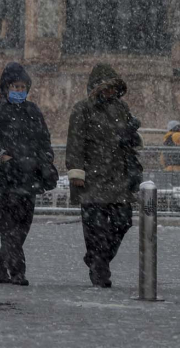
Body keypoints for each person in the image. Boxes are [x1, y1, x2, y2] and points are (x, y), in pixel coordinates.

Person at [0, 62, 54, 286]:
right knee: (8, 228)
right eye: (15, 86)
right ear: (5, 87)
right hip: (3, 179)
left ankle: (0, 263)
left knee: (22, 227)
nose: (19, 91)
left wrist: (46, 160)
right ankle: (17, 271)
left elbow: (44, 140)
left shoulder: (32, 111)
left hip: (28, 178)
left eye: (22, 87)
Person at [66, 63, 143, 288]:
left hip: (119, 177)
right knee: (95, 229)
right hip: (92, 179)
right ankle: (100, 270)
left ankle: (97, 259)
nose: (110, 93)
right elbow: (75, 143)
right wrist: (76, 172)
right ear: (96, 88)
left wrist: (131, 137)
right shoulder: (82, 109)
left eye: (113, 88)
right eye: (106, 88)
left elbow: (131, 141)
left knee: (123, 222)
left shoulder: (121, 108)